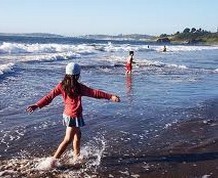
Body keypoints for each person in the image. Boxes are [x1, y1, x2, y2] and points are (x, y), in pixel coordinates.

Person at [26, 62, 120, 167]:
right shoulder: (79, 87)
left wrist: (37, 105)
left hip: (68, 115)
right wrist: (110, 96)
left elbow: (49, 97)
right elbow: (94, 93)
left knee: (78, 135)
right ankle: (53, 160)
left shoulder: (61, 86)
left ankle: (76, 156)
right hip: (73, 116)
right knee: (68, 139)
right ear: (78, 75)